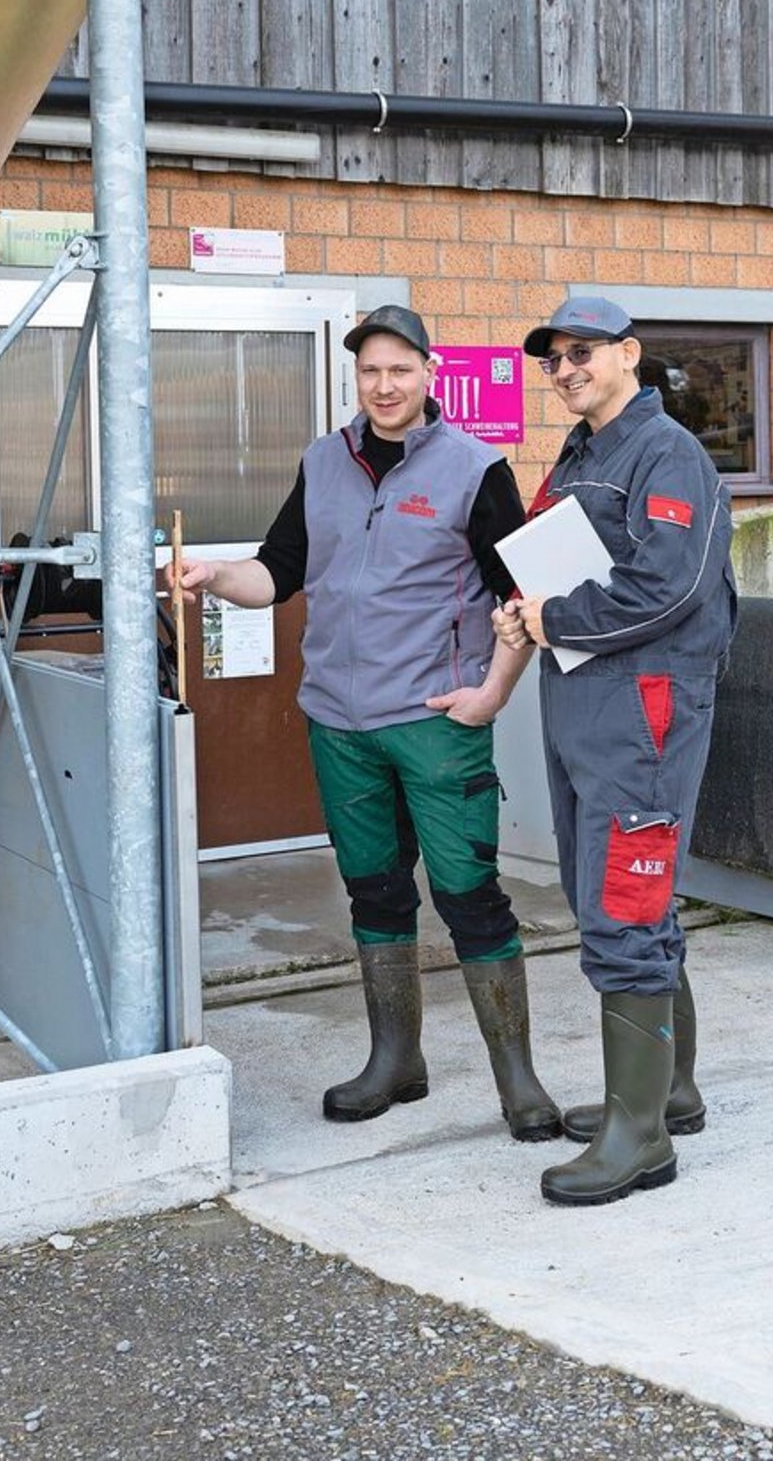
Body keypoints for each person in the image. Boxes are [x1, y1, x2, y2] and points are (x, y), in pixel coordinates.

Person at [175, 305, 560, 1143]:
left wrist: (491, 695)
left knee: (468, 897)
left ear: (429, 375)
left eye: (399, 369)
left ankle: (519, 1081)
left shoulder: (474, 467)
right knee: (375, 893)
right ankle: (396, 1061)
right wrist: (211, 573)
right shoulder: (324, 461)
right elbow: (276, 574)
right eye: (369, 371)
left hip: (435, 719)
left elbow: (525, 598)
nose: (383, 386)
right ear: (356, 378)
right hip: (339, 725)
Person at [494, 295, 736, 1206]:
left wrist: (555, 615)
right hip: (585, 693)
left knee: (626, 900)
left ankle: (640, 1139)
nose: (564, 370)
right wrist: (529, 611)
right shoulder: (585, 452)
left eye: (581, 353)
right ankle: (666, 1091)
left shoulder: (666, 451)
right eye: (552, 360)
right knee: (613, 889)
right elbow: (570, 566)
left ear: (629, 354)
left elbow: (667, 588)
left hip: (644, 702)